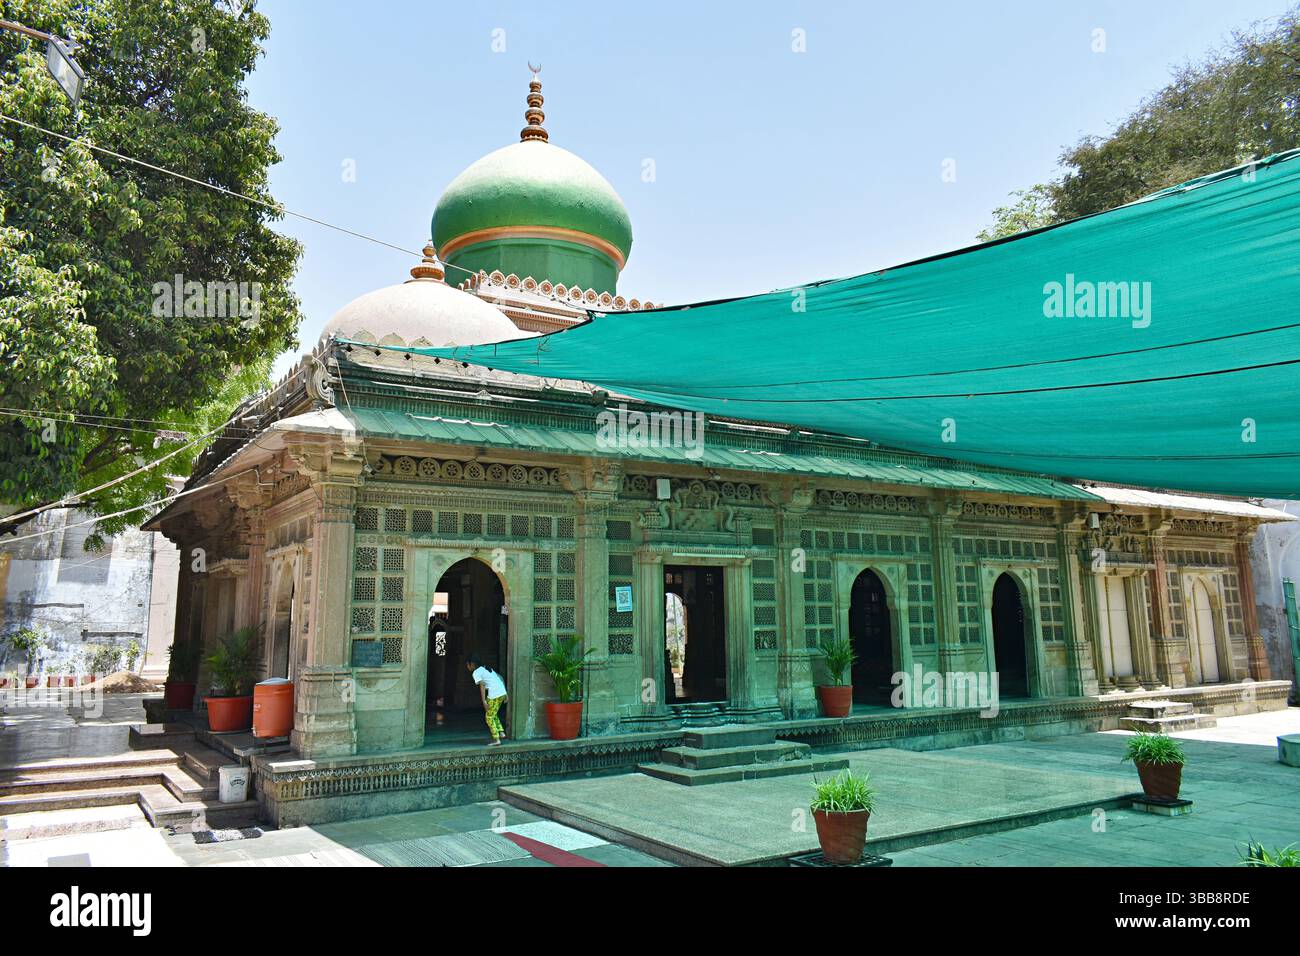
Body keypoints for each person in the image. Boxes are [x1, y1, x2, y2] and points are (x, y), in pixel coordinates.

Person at [466, 654, 508, 746]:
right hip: (501, 693)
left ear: (472, 664)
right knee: (493, 714)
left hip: (494, 695)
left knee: (489, 718)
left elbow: (482, 685)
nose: (467, 667)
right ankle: (501, 732)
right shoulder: (486, 668)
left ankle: (496, 739)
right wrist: (505, 693)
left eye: (468, 665)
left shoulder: (476, 672)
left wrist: (484, 701)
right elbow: (500, 677)